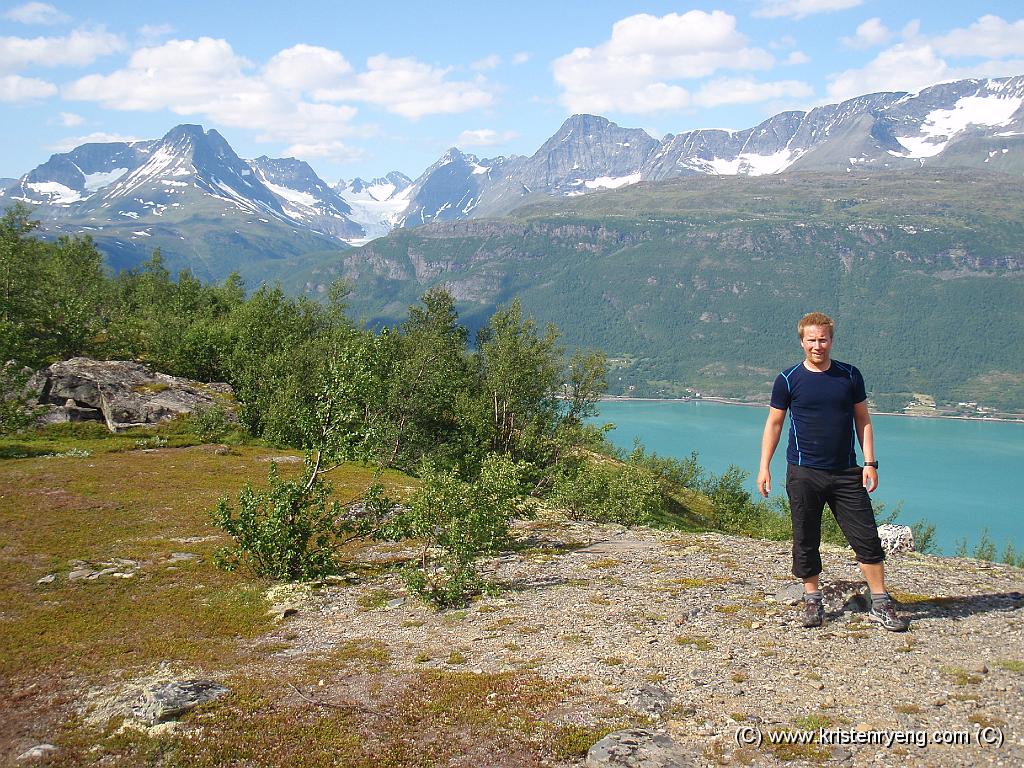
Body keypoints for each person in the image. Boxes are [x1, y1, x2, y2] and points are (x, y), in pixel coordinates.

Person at [757, 312, 908, 632]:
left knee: (866, 537)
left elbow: (863, 420)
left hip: (845, 473)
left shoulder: (849, 376)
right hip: (803, 472)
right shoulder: (788, 379)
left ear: (831, 340)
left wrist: (870, 463)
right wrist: (764, 467)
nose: (817, 345)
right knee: (805, 538)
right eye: (811, 340)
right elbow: (774, 424)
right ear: (802, 341)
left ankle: (879, 601)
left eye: (822, 339)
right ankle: (812, 599)